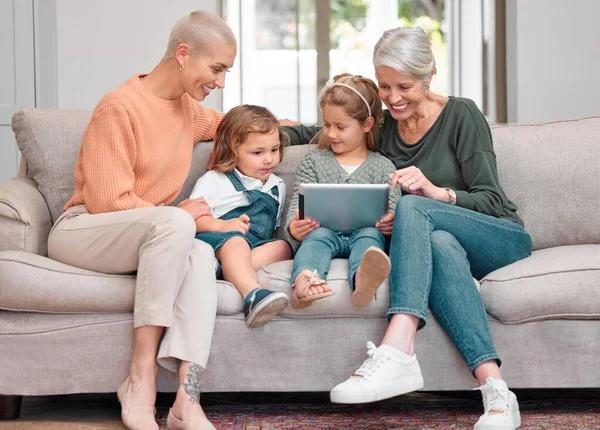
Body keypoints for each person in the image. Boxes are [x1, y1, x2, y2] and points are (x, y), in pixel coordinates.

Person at [282, 27, 532, 430]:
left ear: (429, 75)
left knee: (416, 206)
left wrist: (436, 192)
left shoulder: (461, 115)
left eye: (405, 86)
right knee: (439, 243)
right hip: (444, 241)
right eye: (384, 86)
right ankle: (497, 393)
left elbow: (492, 200)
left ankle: (398, 346)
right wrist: (262, 130)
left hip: (498, 236)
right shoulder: (384, 125)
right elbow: (328, 127)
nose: (393, 97)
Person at [47, 11, 236, 430]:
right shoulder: (119, 107)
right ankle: (139, 379)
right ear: (184, 54)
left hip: (151, 234)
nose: (221, 82)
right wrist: (172, 216)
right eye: (217, 69)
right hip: (85, 229)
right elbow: (107, 201)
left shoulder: (188, 110)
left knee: (202, 256)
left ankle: (187, 399)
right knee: (177, 225)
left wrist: (291, 130)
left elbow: (233, 127)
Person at [285, 73, 400, 309]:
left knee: (369, 238)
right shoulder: (313, 162)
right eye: (327, 124)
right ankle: (305, 280)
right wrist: (294, 228)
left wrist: (391, 223)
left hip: (366, 232)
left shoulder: (383, 166)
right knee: (317, 238)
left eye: (341, 127)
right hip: (322, 232)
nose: (331, 133)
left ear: (367, 124)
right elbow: (297, 207)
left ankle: (363, 280)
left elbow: (395, 209)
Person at [190, 104, 292, 328]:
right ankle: (253, 294)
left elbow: (273, 230)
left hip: (253, 244)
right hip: (217, 242)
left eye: (274, 150)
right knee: (236, 243)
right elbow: (193, 220)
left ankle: (232, 269)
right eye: (258, 152)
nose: (269, 159)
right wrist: (222, 226)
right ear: (233, 149)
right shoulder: (215, 180)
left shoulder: (277, 186)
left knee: (284, 247)